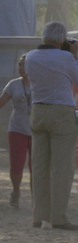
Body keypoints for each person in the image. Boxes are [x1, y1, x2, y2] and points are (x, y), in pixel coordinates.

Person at [24, 23, 78, 230]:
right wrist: (75, 56)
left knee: (40, 166)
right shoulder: (66, 57)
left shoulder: (31, 57)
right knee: (61, 168)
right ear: (61, 39)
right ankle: (58, 217)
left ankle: (38, 216)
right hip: (61, 112)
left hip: (38, 111)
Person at [2, 57, 31, 207]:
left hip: (37, 130)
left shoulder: (41, 84)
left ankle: (36, 197)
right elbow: (2, 102)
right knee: (16, 165)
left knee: (37, 166)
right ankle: (16, 191)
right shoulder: (13, 85)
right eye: (20, 65)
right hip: (17, 129)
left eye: (25, 65)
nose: (22, 68)